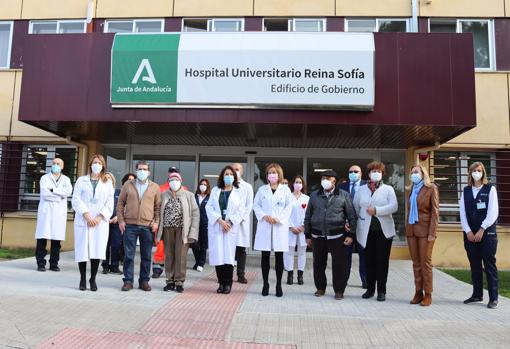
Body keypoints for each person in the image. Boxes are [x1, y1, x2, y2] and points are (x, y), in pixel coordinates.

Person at [304, 170, 356, 300]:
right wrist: (307, 235)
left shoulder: (344, 195)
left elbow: (352, 216)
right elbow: (308, 216)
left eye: (327, 178)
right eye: (323, 178)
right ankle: (320, 288)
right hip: (318, 235)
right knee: (318, 264)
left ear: (334, 180)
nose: (324, 180)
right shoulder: (315, 195)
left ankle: (339, 290)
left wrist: (351, 235)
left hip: (337, 235)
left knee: (339, 264)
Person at [353, 161, 398, 302]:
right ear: (368, 174)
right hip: (366, 231)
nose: (376, 173)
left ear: (383, 174)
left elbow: (394, 206)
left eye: (378, 171)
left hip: (383, 232)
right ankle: (370, 289)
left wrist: (377, 210)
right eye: (373, 171)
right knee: (369, 261)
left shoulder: (388, 189)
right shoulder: (361, 190)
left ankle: (381, 291)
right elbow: (355, 207)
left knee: (382, 262)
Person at [117, 160, 161, 292]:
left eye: (145, 169)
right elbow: (120, 204)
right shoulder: (128, 185)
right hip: (129, 225)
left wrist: (156, 222)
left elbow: (157, 207)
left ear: (149, 172)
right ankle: (128, 281)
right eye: (140, 169)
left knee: (146, 256)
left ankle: (144, 281)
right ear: (136, 171)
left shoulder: (154, 187)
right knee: (129, 256)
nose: (142, 171)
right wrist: (121, 220)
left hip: (147, 226)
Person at [71, 155, 114, 291]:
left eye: (99, 163)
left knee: (97, 250)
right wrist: (86, 214)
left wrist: (99, 217)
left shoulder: (107, 182)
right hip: (84, 220)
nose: (97, 165)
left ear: (103, 166)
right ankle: (82, 278)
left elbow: (110, 202)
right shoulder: (81, 180)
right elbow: (76, 199)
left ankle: (93, 279)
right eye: (94, 162)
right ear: (90, 165)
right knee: (82, 250)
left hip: (99, 222)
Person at [460, 161, 499, 309]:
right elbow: (462, 213)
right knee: (475, 265)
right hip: (470, 235)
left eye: (479, 170)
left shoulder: (490, 189)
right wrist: (468, 231)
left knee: (489, 265)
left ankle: (493, 298)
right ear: (470, 173)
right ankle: (477, 294)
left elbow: (493, 212)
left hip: (487, 234)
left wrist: (482, 229)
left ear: (483, 172)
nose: (477, 172)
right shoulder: (466, 191)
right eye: (474, 170)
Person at [155, 171, 199, 293]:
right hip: (167, 229)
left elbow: (195, 214)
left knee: (181, 256)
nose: (174, 182)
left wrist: (192, 233)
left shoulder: (188, 195)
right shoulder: (163, 195)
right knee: (169, 256)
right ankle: (170, 281)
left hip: (182, 230)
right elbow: (158, 211)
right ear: (168, 182)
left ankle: (179, 281)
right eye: (171, 180)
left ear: (181, 181)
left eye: (176, 179)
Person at [253, 163, 293, 297]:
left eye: (274, 173)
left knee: (279, 257)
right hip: (265, 225)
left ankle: (278, 285)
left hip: (279, 227)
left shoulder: (285, 190)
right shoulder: (262, 190)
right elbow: (256, 205)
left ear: (279, 175)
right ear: (267, 176)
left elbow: (289, 207)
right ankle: (265, 284)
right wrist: (264, 216)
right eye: (270, 173)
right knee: (265, 257)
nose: (272, 175)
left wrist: (279, 218)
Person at [206, 166, 244, 294]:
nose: (228, 176)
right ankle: (220, 283)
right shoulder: (216, 191)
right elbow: (209, 207)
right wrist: (220, 220)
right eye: (226, 174)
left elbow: (241, 210)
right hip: (217, 226)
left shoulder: (239, 192)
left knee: (228, 257)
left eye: (230, 174)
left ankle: (228, 283)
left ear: (234, 177)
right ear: (222, 176)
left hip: (230, 228)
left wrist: (230, 222)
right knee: (218, 256)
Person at [405, 164, 439, 306]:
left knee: (425, 263)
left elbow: (435, 212)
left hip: (426, 231)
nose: (413, 174)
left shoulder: (431, 188)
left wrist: (432, 233)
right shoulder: (410, 189)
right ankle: (418, 292)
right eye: (412, 172)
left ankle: (428, 293)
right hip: (412, 230)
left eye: (416, 172)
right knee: (416, 263)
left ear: (423, 174)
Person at [34, 158, 73, 272]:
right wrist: (59, 196)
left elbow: (68, 193)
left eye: (58, 164)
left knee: (56, 240)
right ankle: (41, 263)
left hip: (59, 214)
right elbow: (45, 194)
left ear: (62, 166)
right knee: (42, 239)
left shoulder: (66, 179)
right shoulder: (44, 178)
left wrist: (53, 190)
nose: (56, 165)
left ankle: (54, 263)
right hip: (46, 212)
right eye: (54, 163)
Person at [339, 165, 367, 288]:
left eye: (356, 171)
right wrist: (344, 220)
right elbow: (338, 205)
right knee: (345, 256)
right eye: (351, 172)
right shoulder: (341, 187)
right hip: (346, 227)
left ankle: (365, 280)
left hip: (363, 226)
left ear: (361, 173)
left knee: (364, 255)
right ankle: (343, 280)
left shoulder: (367, 185)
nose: (353, 173)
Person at [153, 167, 184, 278]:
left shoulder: (185, 190)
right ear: (168, 174)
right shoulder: (160, 189)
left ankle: (175, 274)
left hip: (179, 226)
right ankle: (157, 268)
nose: (173, 174)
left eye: (175, 172)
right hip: (163, 225)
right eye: (171, 172)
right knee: (160, 247)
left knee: (176, 251)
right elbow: (156, 206)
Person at [102, 172, 135, 275]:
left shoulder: (119, 192)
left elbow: (124, 206)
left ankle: (114, 266)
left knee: (116, 245)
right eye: (106, 178)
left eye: (109, 178)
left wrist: (118, 217)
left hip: (116, 223)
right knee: (105, 246)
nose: (108, 180)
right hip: (104, 221)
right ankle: (105, 265)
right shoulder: (101, 192)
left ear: (113, 181)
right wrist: (105, 217)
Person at [284, 175, 309, 285]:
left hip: (302, 229)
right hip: (290, 229)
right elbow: (284, 214)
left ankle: (300, 276)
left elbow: (309, 215)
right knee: (289, 252)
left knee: (302, 252)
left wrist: (303, 226)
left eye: (300, 182)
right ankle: (290, 275)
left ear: (302, 185)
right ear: (292, 184)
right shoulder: (287, 197)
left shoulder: (307, 198)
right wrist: (290, 226)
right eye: (296, 182)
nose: (298, 184)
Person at [231, 163, 254, 284]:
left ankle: (241, 274)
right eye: (233, 169)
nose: (235, 171)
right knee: (229, 249)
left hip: (241, 223)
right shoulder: (227, 185)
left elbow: (249, 205)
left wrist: (240, 218)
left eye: (237, 169)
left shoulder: (247, 187)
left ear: (242, 171)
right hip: (229, 223)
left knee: (241, 250)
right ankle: (227, 274)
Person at [192, 178, 211, 272]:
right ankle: (198, 261)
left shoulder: (210, 197)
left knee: (203, 245)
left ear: (207, 187)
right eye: (201, 184)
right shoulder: (194, 196)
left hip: (205, 224)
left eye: (205, 184)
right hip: (195, 224)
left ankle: (201, 263)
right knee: (194, 243)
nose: (203, 186)